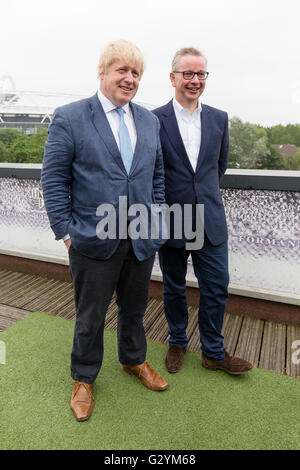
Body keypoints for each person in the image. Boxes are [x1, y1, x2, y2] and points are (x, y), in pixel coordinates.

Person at [41, 40, 168, 422]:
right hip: (91, 239)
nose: (129, 79)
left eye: (135, 74)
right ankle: (83, 379)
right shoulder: (71, 117)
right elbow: (53, 179)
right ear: (103, 73)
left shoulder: (149, 120)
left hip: (141, 238)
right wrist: (65, 231)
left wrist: (158, 217)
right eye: (122, 71)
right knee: (90, 315)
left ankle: (134, 360)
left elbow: (157, 176)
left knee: (134, 308)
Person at [153, 47, 253, 375]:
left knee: (216, 286)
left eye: (200, 74)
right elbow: (152, 170)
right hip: (172, 219)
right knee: (174, 286)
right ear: (173, 78)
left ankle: (212, 351)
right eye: (188, 74)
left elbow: (217, 168)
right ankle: (177, 341)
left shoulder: (219, 119)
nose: (195, 81)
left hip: (209, 219)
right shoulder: (153, 120)